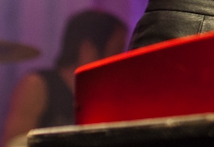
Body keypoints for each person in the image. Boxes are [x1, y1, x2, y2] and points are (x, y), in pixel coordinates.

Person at [2, 10, 126, 146]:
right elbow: (13, 144)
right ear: (88, 49)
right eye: (116, 52)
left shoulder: (107, 96)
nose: (121, 60)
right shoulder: (37, 85)